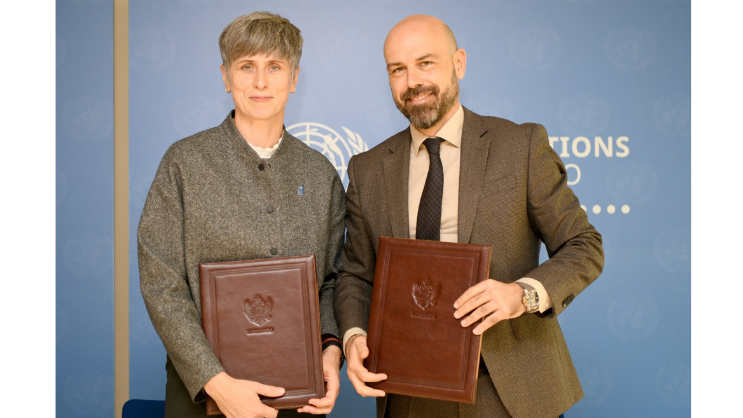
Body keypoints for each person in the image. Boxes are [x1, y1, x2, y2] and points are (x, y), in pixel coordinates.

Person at [334, 14, 604, 418]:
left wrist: (521, 295)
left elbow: (584, 246)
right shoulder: (367, 169)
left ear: (458, 63)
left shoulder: (520, 146)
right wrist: (354, 336)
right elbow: (355, 274)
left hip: (511, 390)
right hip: (409, 393)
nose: (412, 82)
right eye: (397, 69)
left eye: (426, 63)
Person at [138, 12, 344, 418]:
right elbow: (162, 283)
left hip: (299, 393)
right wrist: (216, 383)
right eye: (247, 66)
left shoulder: (320, 173)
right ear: (225, 76)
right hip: (202, 394)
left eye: (274, 67)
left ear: (294, 78)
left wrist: (330, 350)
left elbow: (332, 281)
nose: (260, 82)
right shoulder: (184, 163)